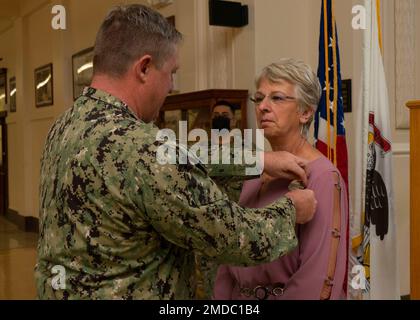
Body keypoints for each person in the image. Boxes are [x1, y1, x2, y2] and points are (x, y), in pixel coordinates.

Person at [35, 5, 316, 300]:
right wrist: (291, 211)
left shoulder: (65, 125)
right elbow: (233, 237)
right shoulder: (146, 149)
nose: (171, 86)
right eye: (172, 73)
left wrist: (257, 160)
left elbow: (176, 158)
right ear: (144, 68)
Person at [213, 59, 349, 300]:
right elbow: (230, 253)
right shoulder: (255, 170)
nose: (263, 107)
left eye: (276, 98)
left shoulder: (323, 177)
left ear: (305, 112)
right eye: (259, 98)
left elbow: (316, 278)